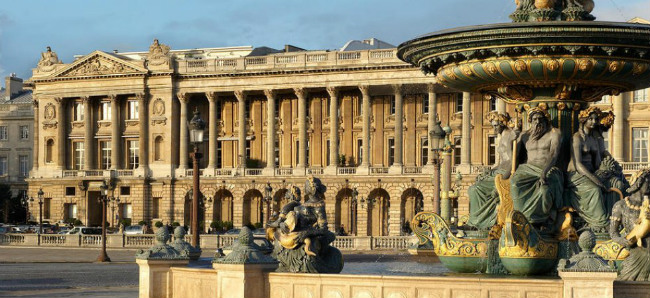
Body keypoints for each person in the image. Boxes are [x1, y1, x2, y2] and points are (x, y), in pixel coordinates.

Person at [565, 107, 622, 231]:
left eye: (596, 119)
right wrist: (597, 181)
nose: (594, 121)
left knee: (616, 183)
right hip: (576, 175)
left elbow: (597, 163)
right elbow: (578, 164)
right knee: (595, 190)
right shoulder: (577, 138)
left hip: (591, 173)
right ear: (584, 120)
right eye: (590, 119)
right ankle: (601, 223)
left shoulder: (594, 140)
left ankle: (617, 219)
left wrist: (605, 172)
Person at [510, 107, 563, 228]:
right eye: (534, 119)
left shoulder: (555, 133)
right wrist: (512, 138)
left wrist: (544, 172)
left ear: (546, 120)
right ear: (530, 121)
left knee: (544, 190)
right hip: (528, 169)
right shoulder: (524, 135)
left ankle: (542, 220)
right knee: (514, 183)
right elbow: (513, 155)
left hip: (548, 168)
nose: (537, 122)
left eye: (540, 119)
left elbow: (554, 154)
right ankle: (521, 218)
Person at [466, 112, 518, 229]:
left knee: (475, 189)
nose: (494, 128)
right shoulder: (503, 136)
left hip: (504, 173)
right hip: (498, 171)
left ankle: (476, 223)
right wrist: (488, 172)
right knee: (473, 187)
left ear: (503, 123)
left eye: (496, 125)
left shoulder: (511, 136)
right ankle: (477, 221)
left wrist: (502, 180)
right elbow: (500, 163)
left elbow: (512, 161)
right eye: (493, 125)